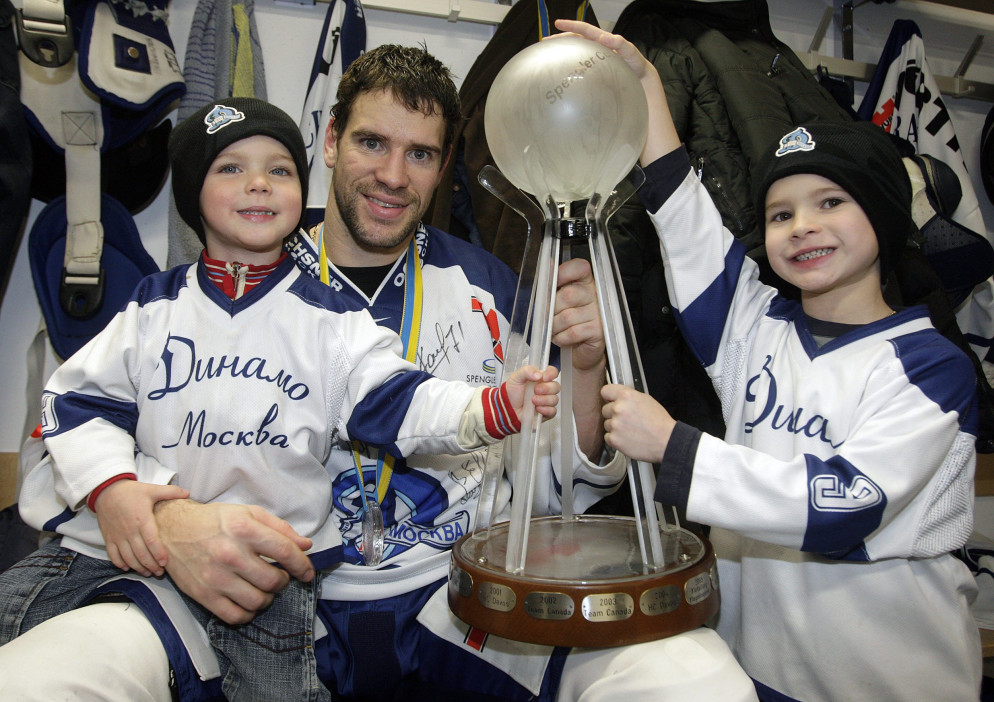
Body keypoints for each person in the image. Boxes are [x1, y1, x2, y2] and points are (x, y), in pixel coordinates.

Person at [0, 44, 757, 702]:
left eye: (421, 154)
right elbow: (59, 436)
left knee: (689, 677)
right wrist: (168, 523)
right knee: (43, 679)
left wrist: (583, 366)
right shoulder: (218, 281)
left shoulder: (494, 284)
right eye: (371, 143)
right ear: (330, 140)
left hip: (450, 600)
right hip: (244, 595)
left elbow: (552, 486)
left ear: (442, 167)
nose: (394, 176)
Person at [0, 95, 562, 701]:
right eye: (231, 169)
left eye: (278, 170)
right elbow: (73, 408)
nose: (259, 185)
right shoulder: (149, 307)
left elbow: (403, 400)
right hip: (150, 563)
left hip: (280, 584)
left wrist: (493, 408)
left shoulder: (332, 319)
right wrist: (117, 491)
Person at [556, 19, 984, 702]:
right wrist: (644, 90)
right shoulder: (755, 328)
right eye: (779, 214)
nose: (802, 225)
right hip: (754, 672)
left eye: (831, 202)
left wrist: (674, 448)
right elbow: (687, 220)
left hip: (896, 683)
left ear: (881, 217)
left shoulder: (931, 367)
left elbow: (841, 504)